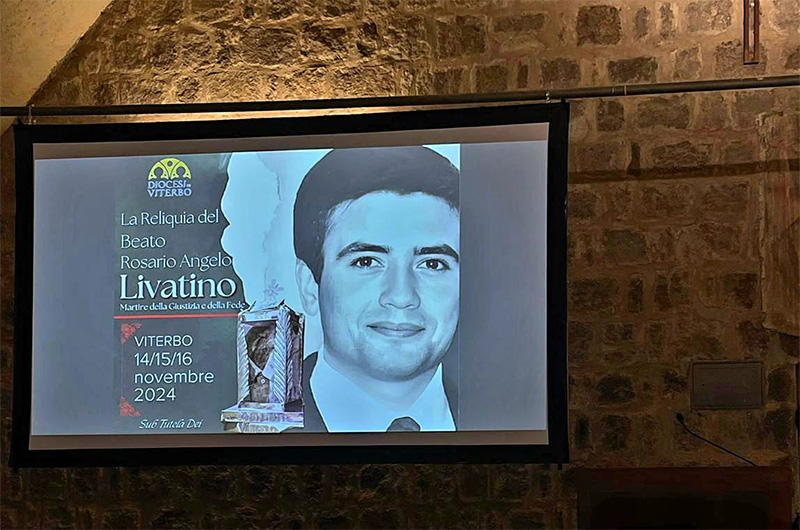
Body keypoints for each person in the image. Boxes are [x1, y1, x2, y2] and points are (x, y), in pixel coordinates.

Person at [292, 146, 460, 432]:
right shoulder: (246, 429)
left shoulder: (508, 416)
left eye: (432, 264)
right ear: (310, 286)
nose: (401, 296)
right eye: (366, 261)